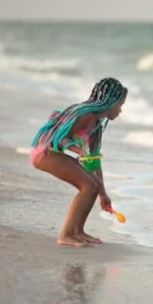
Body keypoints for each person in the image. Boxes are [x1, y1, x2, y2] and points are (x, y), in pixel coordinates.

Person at [30, 77, 127, 247]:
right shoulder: (86, 115)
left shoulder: (97, 123)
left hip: (52, 153)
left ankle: (78, 232)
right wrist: (78, 151)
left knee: (93, 186)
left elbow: (94, 162)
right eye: (120, 105)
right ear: (110, 101)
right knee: (88, 186)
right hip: (45, 152)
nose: (120, 111)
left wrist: (103, 193)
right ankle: (66, 235)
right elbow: (60, 139)